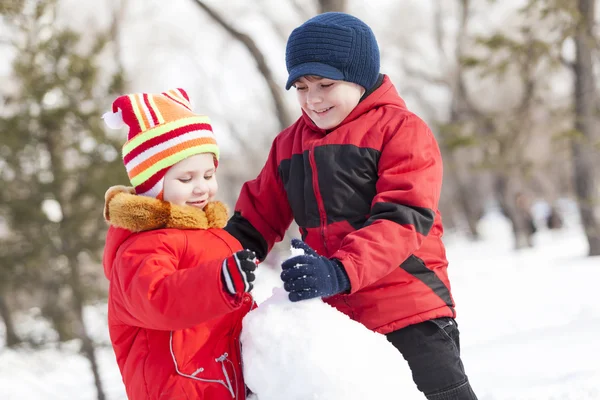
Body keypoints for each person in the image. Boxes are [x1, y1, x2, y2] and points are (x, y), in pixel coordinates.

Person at [224, 12, 478, 400]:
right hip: (340, 322)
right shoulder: (288, 146)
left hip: (410, 311)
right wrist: (224, 259)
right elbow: (256, 218)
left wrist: (341, 269)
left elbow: (403, 217)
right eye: (302, 87)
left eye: (326, 84)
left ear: (360, 78)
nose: (313, 99)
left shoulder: (400, 130)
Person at [102, 88, 257, 400]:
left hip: (221, 381)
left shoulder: (214, 235)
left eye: (208, 175)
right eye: (185, 179)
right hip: (177, 388)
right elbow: (157, 298)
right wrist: (221, 282)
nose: (201, 187)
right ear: (152, 186)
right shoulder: (142, 246)